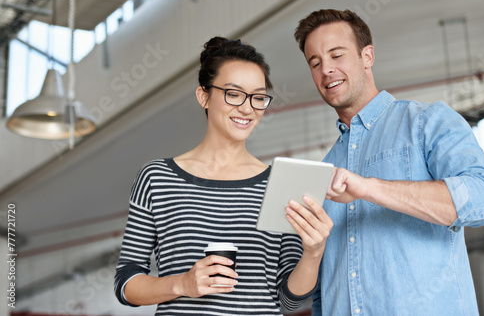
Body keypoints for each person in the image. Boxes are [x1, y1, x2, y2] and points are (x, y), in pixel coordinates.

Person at [294, 9, 484, 315]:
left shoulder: (426, 122)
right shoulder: (323, 169)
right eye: (316, 63)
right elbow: (323, 289)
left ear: (367, 56)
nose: (326, 70)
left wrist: (369, 188)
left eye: (337, 55)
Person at [114, 36, 333, 315]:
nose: (247, 108)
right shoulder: (156, 178)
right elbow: (125, 283)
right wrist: (182, 284)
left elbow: (290, 301)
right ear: (203, 96)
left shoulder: (280, 184)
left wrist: (314, 252)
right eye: (233, 93)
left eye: (258, 97)